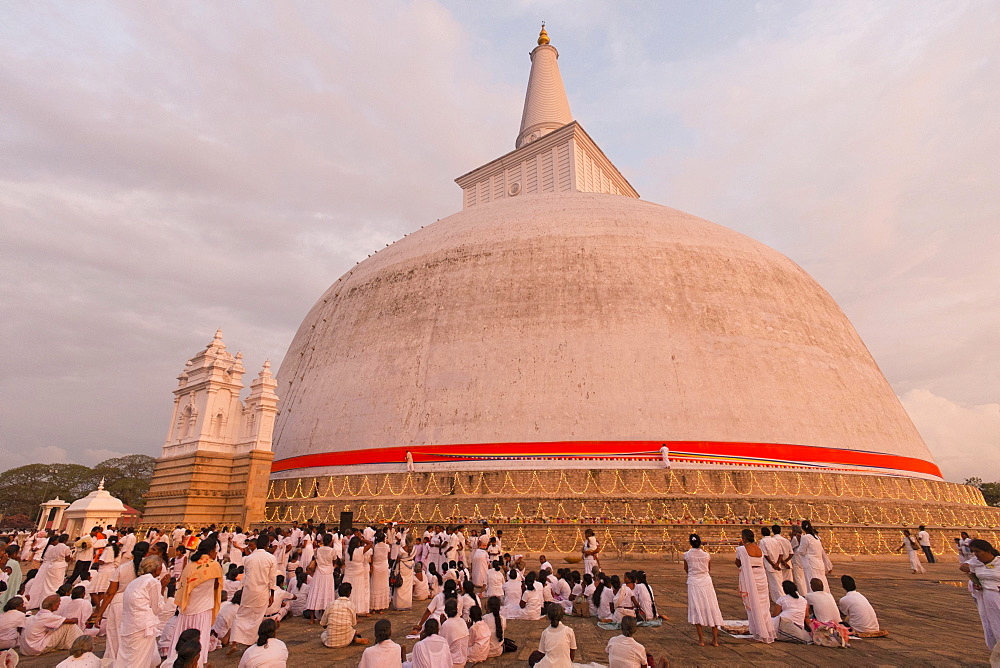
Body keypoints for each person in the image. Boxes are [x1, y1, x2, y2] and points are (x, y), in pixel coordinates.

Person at [89, 540, 150, 665]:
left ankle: (114, 663)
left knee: (115, 637)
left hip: (119, 602)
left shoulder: (122, 568)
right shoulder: (149, 569)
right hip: (138, 603)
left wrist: (99, 613)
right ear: (147, 553)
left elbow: (110, 592)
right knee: (133, 639)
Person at [167, 536, 224, 667]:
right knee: (199, 640)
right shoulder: (214, 566)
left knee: (184, 637)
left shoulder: (190, 566)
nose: (216, 554)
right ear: (210, 552)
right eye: (215, 551)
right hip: (203, 610)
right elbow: (217, 586)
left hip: (187, 608)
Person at [116, 555, 166, 668]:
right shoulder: (152, 582)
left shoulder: (134, 582)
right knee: (138, 661)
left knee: (127, 659)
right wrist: (162, 588)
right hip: (142, 627)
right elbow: (157, 608)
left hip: (129, 626)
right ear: (157, 568)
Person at [231, 534, 279, 649]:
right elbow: (272, 579)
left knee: (241, 615)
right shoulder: (271, 558)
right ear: (268, 545)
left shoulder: (249, 558)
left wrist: (241, 589)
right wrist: (272, 595)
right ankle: (249, 643)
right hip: (261, 592)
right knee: (256, 618)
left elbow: (246, 577)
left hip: (248, 590)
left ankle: (235, 642)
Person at [735, 528, 775, 643]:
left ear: (744, 538)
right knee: (763, 604)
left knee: (753, 604)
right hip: (761, 577)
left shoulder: (742, 549)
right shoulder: (759, 549)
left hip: (751, 577)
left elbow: (738, 563)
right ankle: (765, 629)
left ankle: (759, 631)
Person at [683, 533, 724, 646]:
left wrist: (694, 574)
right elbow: (708, 569)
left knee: (697, 608)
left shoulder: (687, 555)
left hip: (694, 582)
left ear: (690, 543)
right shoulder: (706, 555)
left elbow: (686, 569)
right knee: (712, 607)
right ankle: (715, 640)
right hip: (706, 581)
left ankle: (701, 640)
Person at [963, 538, 1000, 650]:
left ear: (987, 550)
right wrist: (976, 582)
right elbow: (964, 568)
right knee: (993, 623)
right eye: (974, 551)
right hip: (988, 596)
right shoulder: (976, 562)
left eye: (978, 551)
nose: (976, 554)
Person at [19, 594, 83, 656]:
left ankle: (77, 641)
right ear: (52, 605)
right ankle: (82, 642)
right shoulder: (47, 616)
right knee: (69, 626)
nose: (59, 605)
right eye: (58, 603)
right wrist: (75, 618)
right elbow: (72, 621)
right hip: (35, 648)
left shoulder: (39, 614)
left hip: (26, 649)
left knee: (61, 626)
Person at [321, 582, 368, 648]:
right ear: (349, 593)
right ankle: (353, 639)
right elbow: (353, 623)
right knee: (352, 631)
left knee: (323, 634)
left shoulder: (330, 604)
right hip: (346, 639)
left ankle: (349, 637)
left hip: (330, 642)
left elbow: (323, 623)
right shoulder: (351, 605)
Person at [305, 533, 337, 622]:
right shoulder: (332, 551)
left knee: (315, 593)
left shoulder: (317, 550)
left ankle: (312, 618)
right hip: (328, 574)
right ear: (331, 541)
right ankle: (323, 616)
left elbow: (314, 559)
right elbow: (334, 562)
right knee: (326, 593)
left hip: (318, 574)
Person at [797, 520, 831, 593]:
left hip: (810, 563)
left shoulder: (805, 538)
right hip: (819, 563)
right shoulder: (816, 537)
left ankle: (814, 598)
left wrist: (799, 541)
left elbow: (801, 552)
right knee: (822, 580)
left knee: (812, 581)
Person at [344, 534, 373, 616]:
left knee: (350, 593)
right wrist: (362, 539)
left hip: (349, 574)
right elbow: (370, 544)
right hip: (358, 574)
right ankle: (355, 613)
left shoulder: (346, 550)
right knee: (357, 594)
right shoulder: (360, 550)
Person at [440, 598, 468, 668]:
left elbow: (442, 646)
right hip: (463, 660)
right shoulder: (462, 621)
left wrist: (442, 624)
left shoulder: (446, 624)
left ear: (445, 611)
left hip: (453, 663)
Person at [370, 531, 392, 613]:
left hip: (376, 566)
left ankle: (374, 607)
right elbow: (389, 556)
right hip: (383, 566)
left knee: (374, 586)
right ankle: (381, 607)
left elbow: (372, 558)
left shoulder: (374, 547)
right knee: (383, 585)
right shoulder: (387, 546)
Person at [393, 538, 416, 611]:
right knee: (408, 586)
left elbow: (398, 559)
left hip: (402, 566)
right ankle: (407, 604)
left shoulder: (402, 550)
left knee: (401, 585)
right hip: (410, 566)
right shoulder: (414, 549)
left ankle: (399, 604)